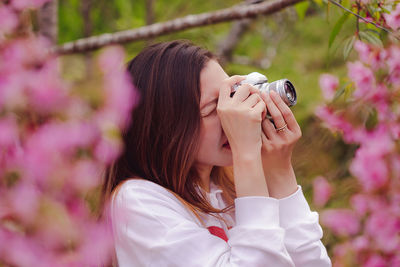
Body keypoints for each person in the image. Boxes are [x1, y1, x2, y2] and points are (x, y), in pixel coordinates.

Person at [102, 40, 331, 266]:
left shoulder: (227, 191)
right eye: (214, 108)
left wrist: (280, 172)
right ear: (166, 127)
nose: (232, 115)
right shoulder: (138, 202)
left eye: (231, 97)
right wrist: (246, 155)